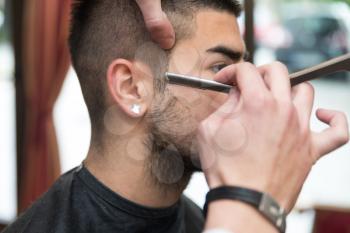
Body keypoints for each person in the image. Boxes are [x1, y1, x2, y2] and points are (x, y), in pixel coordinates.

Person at [4, 0, 348, 233]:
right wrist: (255, 202)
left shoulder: (203, 218)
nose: (249, 93)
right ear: (132, 88)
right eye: (221, 69)